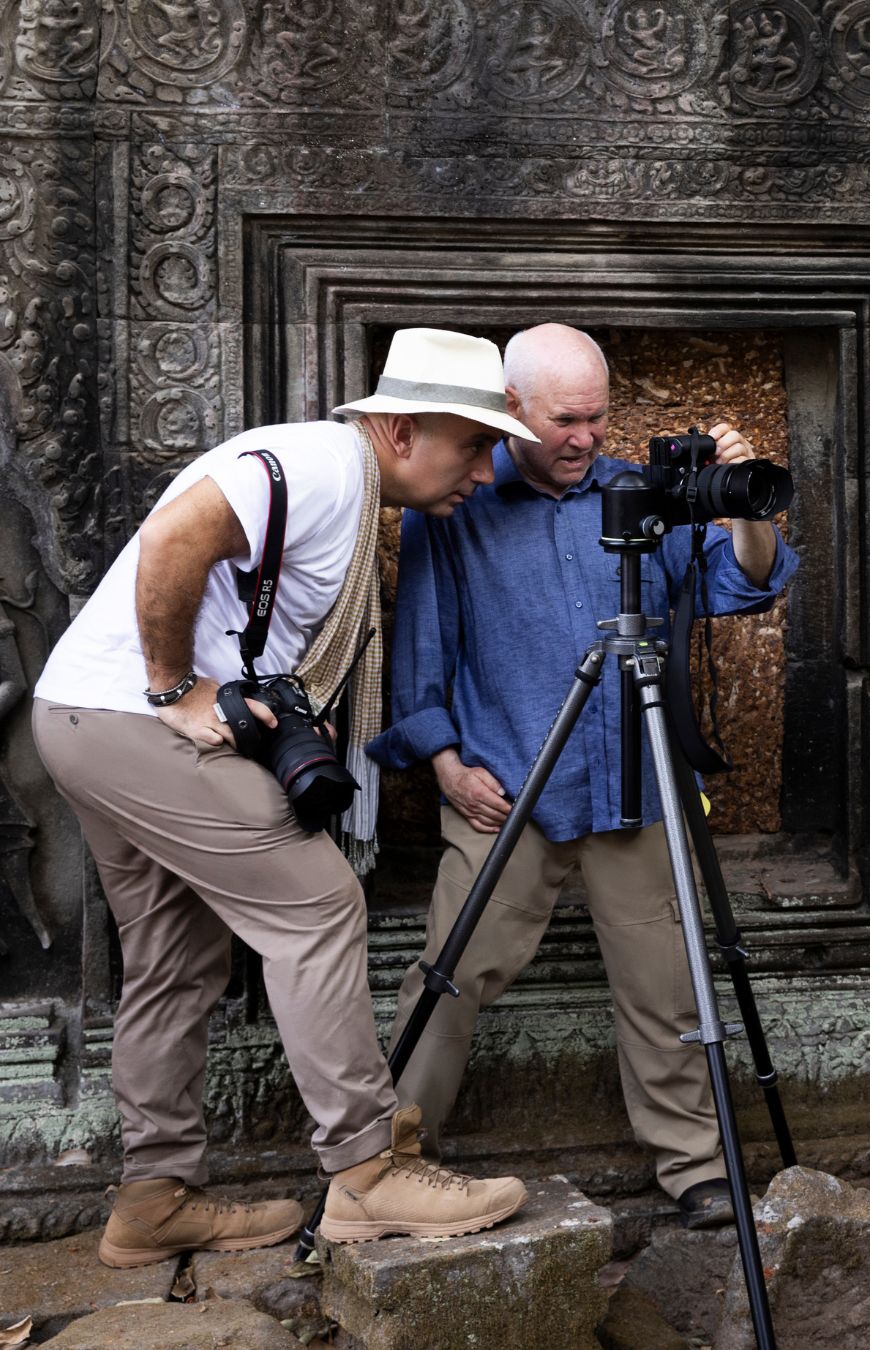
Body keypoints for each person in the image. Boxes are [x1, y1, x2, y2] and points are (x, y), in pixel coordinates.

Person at [32, 328, 540, 1268]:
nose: (485, 468)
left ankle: (152, 1200)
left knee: (175, 956)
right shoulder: (323, 467)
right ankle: (368, 1173)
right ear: (399, 431)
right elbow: (178, 533)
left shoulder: (343, 479)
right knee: (317, 905)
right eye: (473, 444)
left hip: (78, 717)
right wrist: (175, 687)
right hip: (126, 719)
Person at [368, 324, 800, 1228]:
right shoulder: (457, 502)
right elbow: (421, 644)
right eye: (565, 420)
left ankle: (695, 1165)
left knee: (666, 981)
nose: (586, 437)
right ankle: (388, 1163)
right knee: (451, 973)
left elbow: (748, 583)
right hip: (508, 786)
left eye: (597, 418)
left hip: (635, 780)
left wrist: (744, 503)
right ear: (510, 411)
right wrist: (445, 763)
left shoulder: (641, 495)